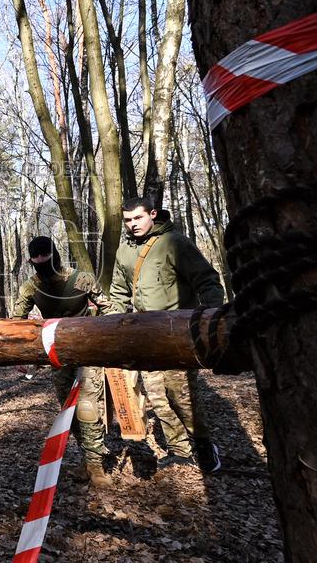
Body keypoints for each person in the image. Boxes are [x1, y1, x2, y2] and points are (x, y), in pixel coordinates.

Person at [107, 197, 224, 473]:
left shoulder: (175, 243)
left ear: (152, 214)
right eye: (127, 220)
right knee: (158, 397)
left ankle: (205, 446)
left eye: (138, 218)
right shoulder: (124, 250)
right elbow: (118, 293)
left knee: (181, 394)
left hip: (178, 334)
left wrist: (211, 319)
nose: (133, 224)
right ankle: (180, 450)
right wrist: (112, 326)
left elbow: (207, 281)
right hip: (144, 335)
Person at [12, 236, 114, 488]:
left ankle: (96, 464)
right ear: (31, 261)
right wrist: (19, 354)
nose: (41, 264)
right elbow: (18, 323)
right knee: (68, 410)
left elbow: (108, 309)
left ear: (54, 255)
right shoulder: (31, 286)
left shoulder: (81, 279)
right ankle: (87, 459)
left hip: (87, 351)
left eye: (45, 259)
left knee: (88, 406)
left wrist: (108, 339)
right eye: (36, 261)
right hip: (57, 355)